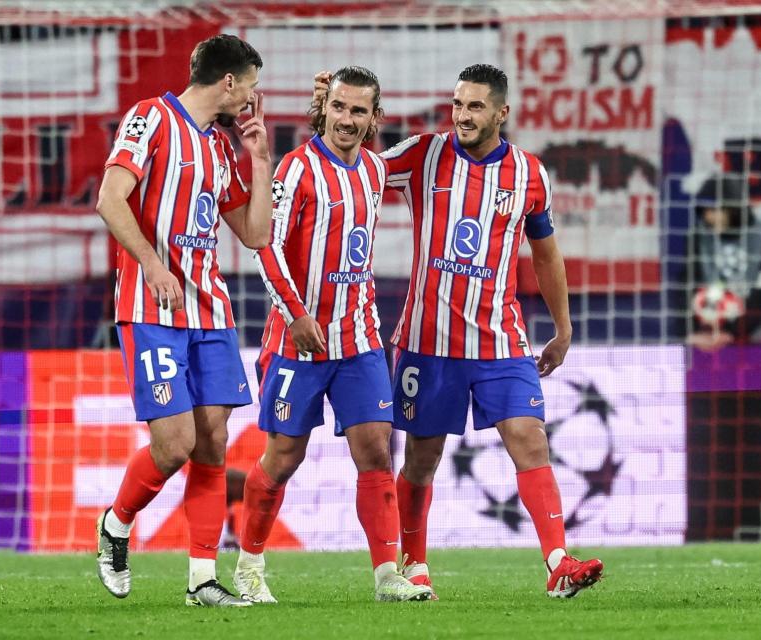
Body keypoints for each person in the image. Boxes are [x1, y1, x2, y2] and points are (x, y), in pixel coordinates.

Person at [313, 64, 604, 598]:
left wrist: (563, 328)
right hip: (429, 343)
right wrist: (331, 118)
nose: (463, 115)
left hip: (502, 339)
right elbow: (352, 170)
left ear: (502, 113)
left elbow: (546, 254)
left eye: (475, 106)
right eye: (458, 104)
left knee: (530, 439)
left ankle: (558, 562)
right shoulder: (424, 153)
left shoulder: (529, 175)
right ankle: (414, 563)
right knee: (422, 458)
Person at [233, 66, 433, 604]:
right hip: (298, 340)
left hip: (360, 337)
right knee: (283, 456)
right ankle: (249, 567)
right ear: (325, 110)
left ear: (373, 118)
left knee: (376, 451)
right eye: (339, 108)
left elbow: (424, 154)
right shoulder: (296, 171)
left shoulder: (373, 169)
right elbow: (265, 248)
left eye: (358, 111)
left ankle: (387, 574)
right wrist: (297, 315)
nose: (347, 120)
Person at [94, 34, 272, 607]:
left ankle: (201, 580)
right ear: (228, 82)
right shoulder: (150, 118)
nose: (251, 94)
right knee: (174, 444)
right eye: (249, 83)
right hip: (153, 307)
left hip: (210, 311)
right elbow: (110, 198)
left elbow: (255, 233)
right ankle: (116, 524)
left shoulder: (222, 149)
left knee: (214, 442)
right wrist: (151, 264)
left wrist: (261, 158)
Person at [678, 173, 761, 351]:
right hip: (709, 330)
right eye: (705, 211)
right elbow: (685, 283)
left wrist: (732, 332)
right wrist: (691, 331)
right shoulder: (698, 237)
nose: (709, 217)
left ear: (733, 208)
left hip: (758, 329)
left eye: (716, 210)